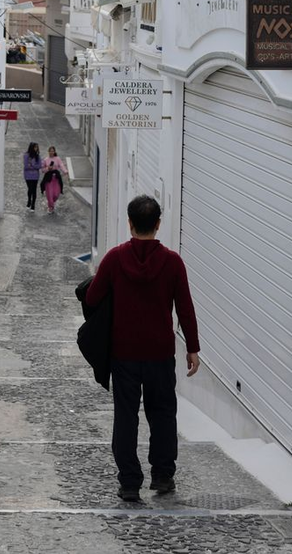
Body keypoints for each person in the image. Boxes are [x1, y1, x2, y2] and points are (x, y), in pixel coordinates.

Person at [85, 194, 200, 502]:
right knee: (163, 414)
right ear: (158, 224)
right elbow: (185, 307)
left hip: (124, 353)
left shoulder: (114, 258)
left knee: (126, 416)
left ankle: (129, 482)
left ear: (130, 224)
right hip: (160, 353)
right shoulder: (173, 262)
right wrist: (192, 346)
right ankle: (162, 476)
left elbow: (93, 298)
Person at [40, 146, 66, 213]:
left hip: (56, 178)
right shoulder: (45, 160)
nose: (51, 152)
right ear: (48, 152)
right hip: (48, 179)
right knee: (49, 194)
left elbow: (61, 165)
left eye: (53, 151)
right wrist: (48, 168)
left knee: (56, 194)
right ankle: (50, 207)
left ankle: (52, 203)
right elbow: (42, 170)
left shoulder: (57, 158)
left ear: (54, 152)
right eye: (50, 151)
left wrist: (65, 171)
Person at [22, 142, 43, 209]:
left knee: (34, 190)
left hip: (35, 176)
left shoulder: (38, 156)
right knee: (30, 189)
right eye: (35, 147)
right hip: (28, 176)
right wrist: (34, 166)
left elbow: (39, 166)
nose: (36, 149)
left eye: (37, 147)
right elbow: (26, 166)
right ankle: (29, 200)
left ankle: (33, 205)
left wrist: (32, 165)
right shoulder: (26, 155)